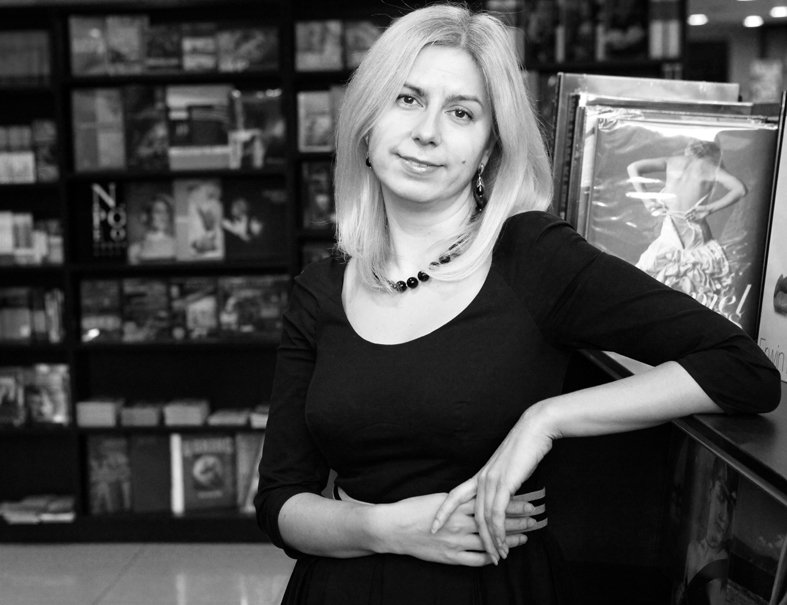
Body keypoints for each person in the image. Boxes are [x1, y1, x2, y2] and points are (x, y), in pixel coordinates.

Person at [255, 5, 781, 604]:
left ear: (488, 149)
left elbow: (741, 369)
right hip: (340, 587)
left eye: (461, 112)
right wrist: (388, 528)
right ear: (366, 122)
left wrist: (546, 420)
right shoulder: (319, 289)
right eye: (407, 99)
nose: (427, 131)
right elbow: (280, 502)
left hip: (493, 587)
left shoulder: (532, 257)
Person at [626, 140, 746, 305]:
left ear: (690, 149)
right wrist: (709, 209)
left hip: (671, 228)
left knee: (659, 280)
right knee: (702, 287)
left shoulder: (672, 161)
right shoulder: (711, 169)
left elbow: (633, 167)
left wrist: (647, 200)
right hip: (694, 232)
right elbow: (740, 189)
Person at [675, 458, 737, 605]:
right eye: (720, 497)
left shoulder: (721, 566)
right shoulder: (692, 549)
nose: (725, 517)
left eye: (731, 506)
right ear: (710, 491)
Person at [127, 193, 176, 264]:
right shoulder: (134, 250)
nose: (164, 216)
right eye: (158, 211)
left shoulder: (176, 245)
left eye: (167, 211)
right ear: (146, 215)